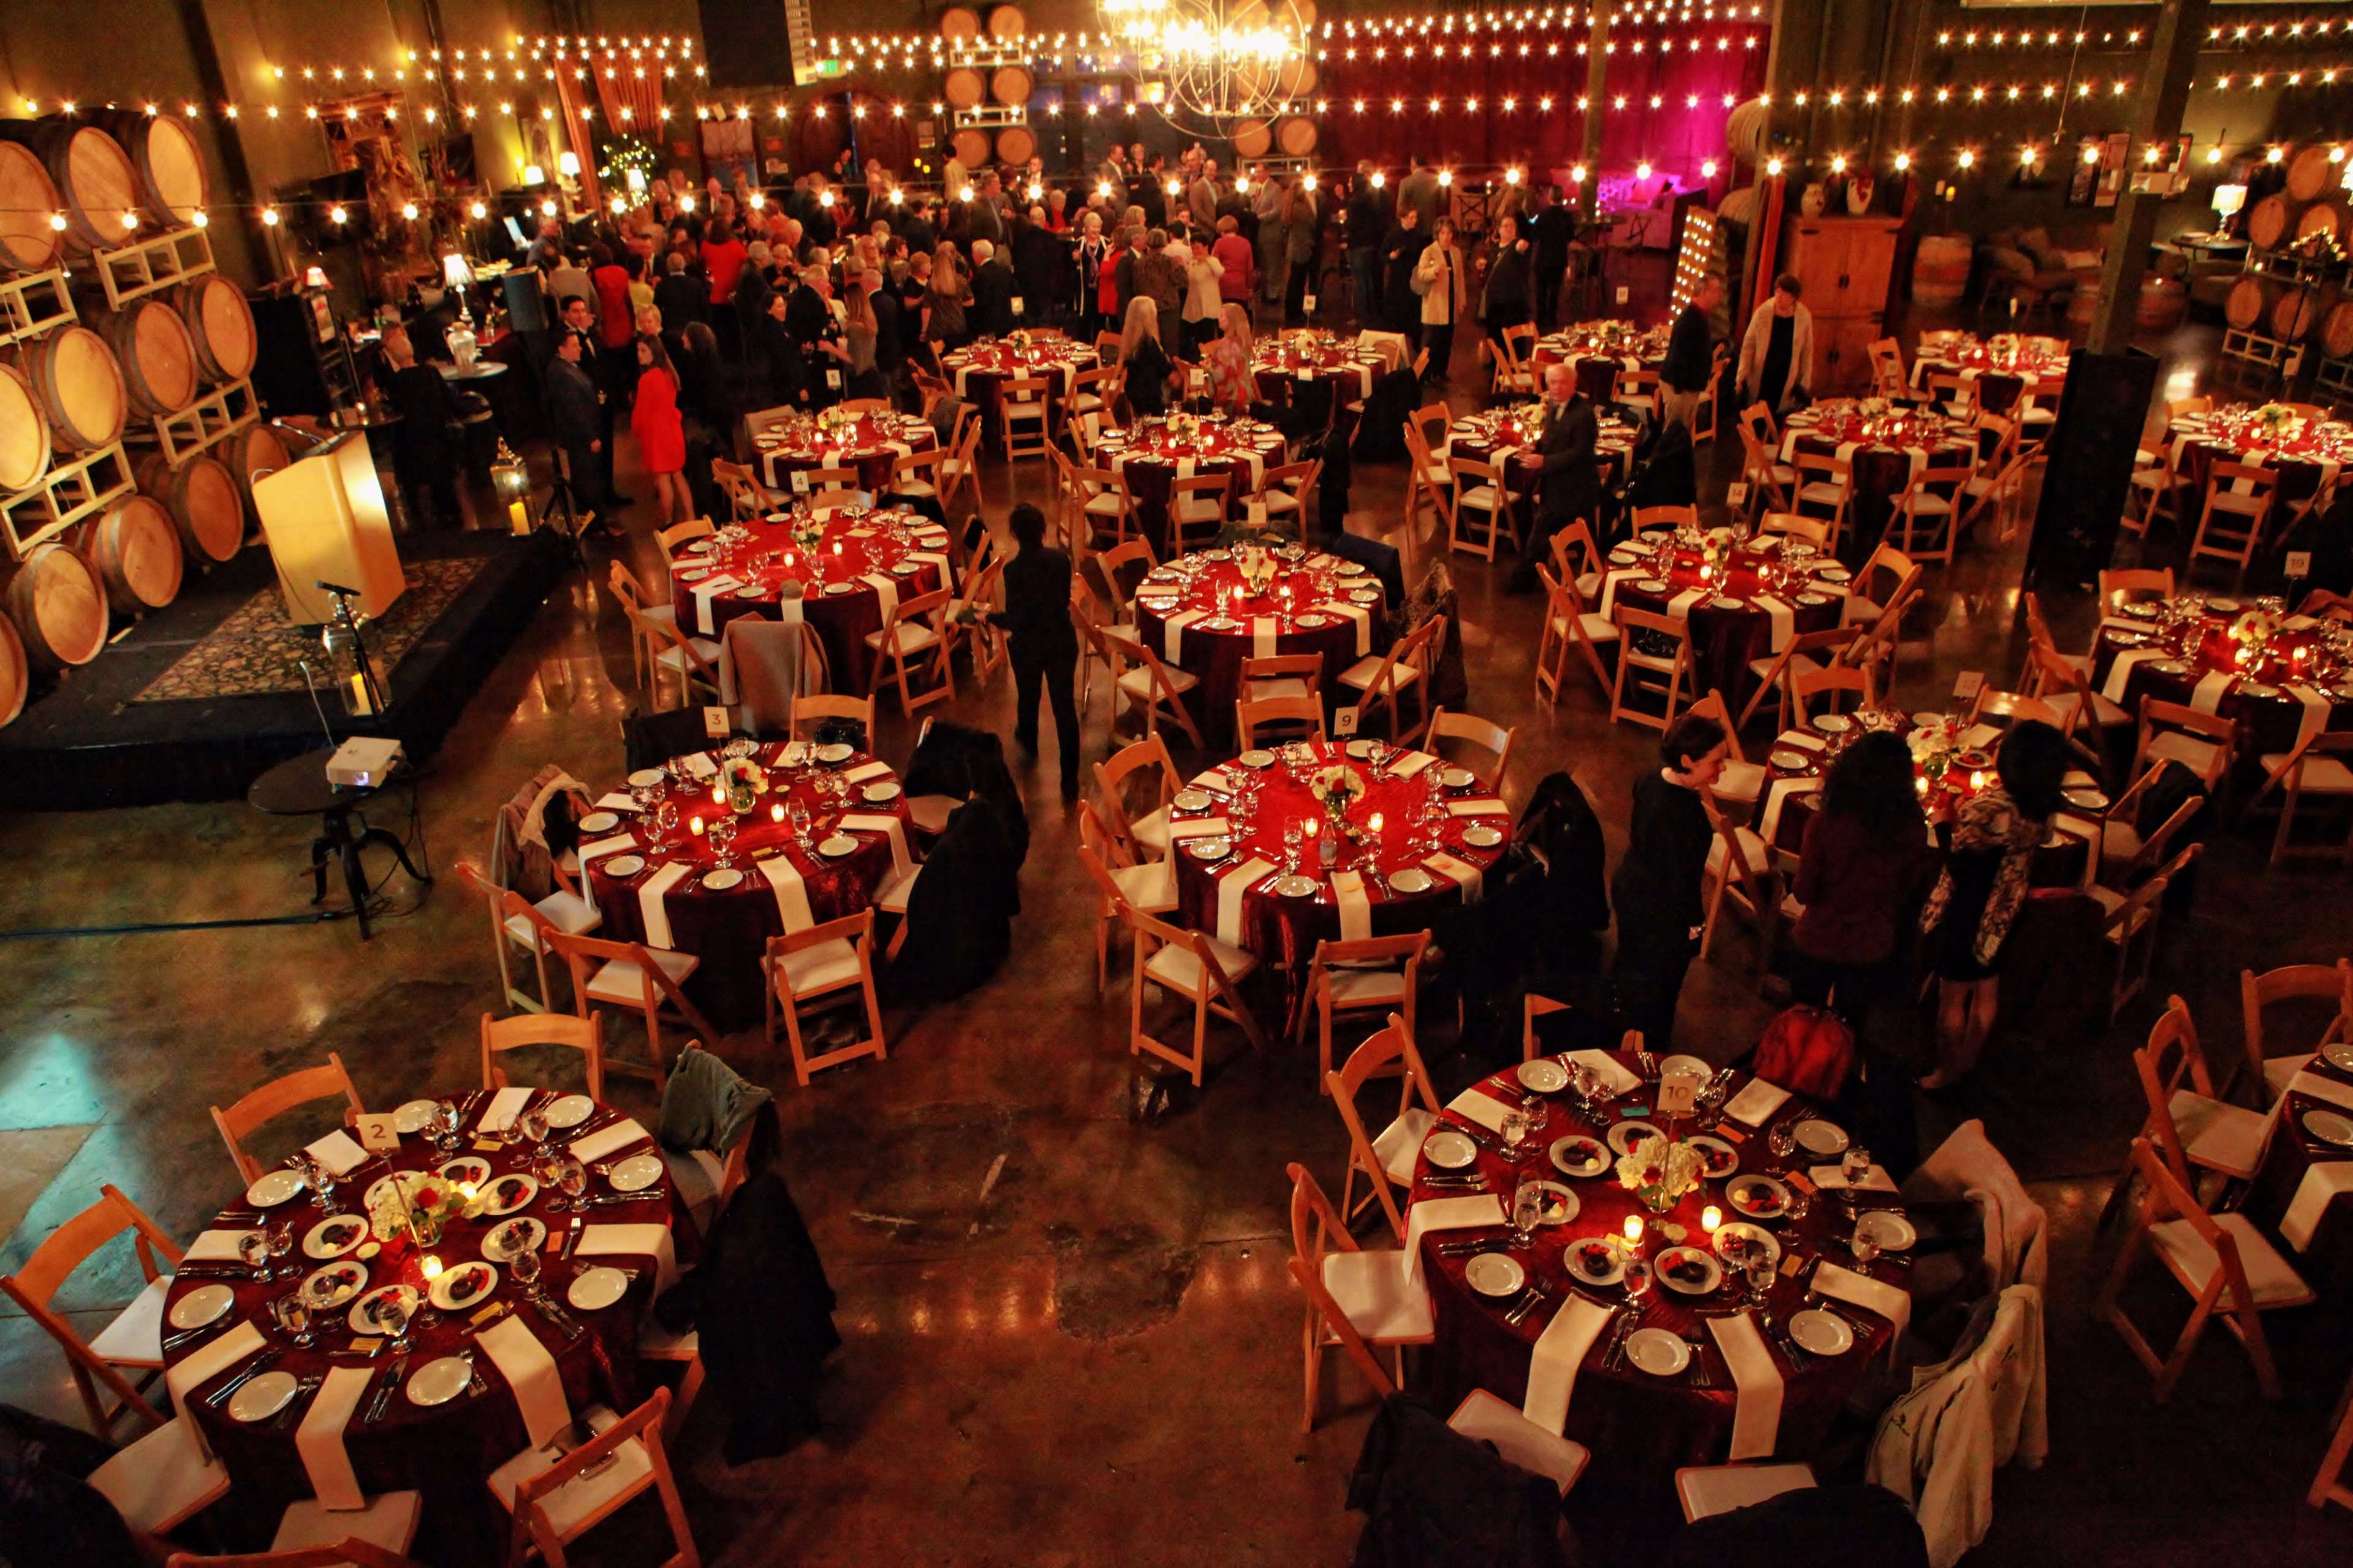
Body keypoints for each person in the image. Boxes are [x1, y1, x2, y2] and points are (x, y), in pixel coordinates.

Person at [1917, 720, 2070, 1090]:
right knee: (1987, 989)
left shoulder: (1986, 811)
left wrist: (1944, 822)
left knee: (1952, 998)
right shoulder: (2043, 805)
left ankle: (1946, 1072)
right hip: (2005, 912)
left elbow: (1959, 868)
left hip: (1967, 913)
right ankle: (1969, 1059)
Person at [1790, 732, 1934, 1031]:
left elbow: (1804, 892)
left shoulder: (1825, 825)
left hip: (1820, 938)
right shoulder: (1913, 830)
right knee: (1849, 1026)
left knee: (1801, 1022)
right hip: (1873, 945)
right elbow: (1908, 889)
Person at [1608, 711, 1729, 1050]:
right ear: (1688, 761)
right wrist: (1695, 925)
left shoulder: (1651, 778)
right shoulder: (1686, 816)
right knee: (1661, 989)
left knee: (1629, 968)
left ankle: (1619, 1031)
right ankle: (1651, 1052)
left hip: (1630, 886)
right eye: (1717, 762)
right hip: (1660, 912)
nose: (1723, 768)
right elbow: (1683, 879)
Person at [971, 503, 1082, 800]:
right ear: (1043, 531)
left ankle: (1029, 742)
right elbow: (1057, 604)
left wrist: (987, 617)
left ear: (1015, 535)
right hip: (1061, 641)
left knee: (1028, 696)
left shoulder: (1014, 571)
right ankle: (1070, 779)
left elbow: (1018, 621)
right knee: (1064, 709)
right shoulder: (1061, 561)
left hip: (1030, 646)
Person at [1514, 360, 1599, 588]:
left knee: (1549, 533)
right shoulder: (1554, 405)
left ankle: (1524, 581)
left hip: (1576, 487)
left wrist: (1544, 461)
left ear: (1573, 384)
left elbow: (1581, 454)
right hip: (1556, 483)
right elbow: (1552, 438)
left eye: (1562, 383)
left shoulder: (1584, 414)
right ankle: (1593, 577)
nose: (1557, 387)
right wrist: (1536, 447)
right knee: (1579, 539)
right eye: (1552, 383)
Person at [376, 326, 463, 528]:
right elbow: (450, 402)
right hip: (438, 439)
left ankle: (417, 517)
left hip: (410, 447)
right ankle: (450, 512)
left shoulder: (395, 383)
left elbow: (392, 413)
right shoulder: (431, 373)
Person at [546, 328, 614, 528]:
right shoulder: (563, 373)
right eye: (575, 345)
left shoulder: (567, 367)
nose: (580, 348)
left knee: (587, 476)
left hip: (581, 434)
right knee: (587, 478)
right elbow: (575, 410)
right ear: (561, 349)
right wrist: (591, 437)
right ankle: (595, 523)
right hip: (580, 437)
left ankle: (594, 520)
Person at [631, 332, 691, 527]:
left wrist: (636, 428)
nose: (639, 355)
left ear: (653, 352)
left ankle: (668, 521)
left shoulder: (648, 379)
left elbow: (641, 412)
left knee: (663, 478)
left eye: (643, 350)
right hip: (673, 431)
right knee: (678, 475)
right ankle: (691, 518)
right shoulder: (669, 374)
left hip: (657, 435)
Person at [1737, 271, 1814, 415]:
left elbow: (1807, 351)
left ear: (1794, 298)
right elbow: (1749, 345)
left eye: (1784, 294)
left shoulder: (1804, 316)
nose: (1779, 296)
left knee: (1780, 413)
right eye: (1777, 292)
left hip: (1787, 374)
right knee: (1757, 411)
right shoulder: (1763, 312)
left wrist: (1805, 382)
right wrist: (1742, 375)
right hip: (1764, 371)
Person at [1661, 272, 1724, 433]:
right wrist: (1680, 390)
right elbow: (1678, 356)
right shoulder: (1690, 321)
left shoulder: (1698, 318)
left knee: (1680, 434)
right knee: (1674, 435)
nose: (1720, 295)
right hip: (1681, 389)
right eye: (1716, 290)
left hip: (1688, 388)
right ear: (1704, 292)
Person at [1411, 217, 1468, 388]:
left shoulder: (1456, 252)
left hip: (1450, 303)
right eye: (1443, 233)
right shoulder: (1429, 251)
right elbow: (1421, 274)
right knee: (1431, 342)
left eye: (1449, 233)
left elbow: (1460, 279)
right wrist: (1433, 271)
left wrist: (1462, 300)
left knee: (1446, 341)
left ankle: (1441, 371)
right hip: (1436, 304)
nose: (1446, 237)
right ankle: (1426, 374)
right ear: (1437, 234)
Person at [1477, 213, 1532, 358]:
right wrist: (1483, 266)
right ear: (1499, 230)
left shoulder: (1517, 246)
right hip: (1495, 304)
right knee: (1496, 339)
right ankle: (1497, 369)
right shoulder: (1494, 249)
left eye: (1511, 226)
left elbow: (1523, 248)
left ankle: (1514, 371)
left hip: (1514, 304)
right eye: (1505, 226)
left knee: (1515, 342)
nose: (1508, 229)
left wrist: (1522, 246)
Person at [1117, 295, 1177, 419]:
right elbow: (1167, 372)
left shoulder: (1130, 343)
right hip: (1150, 400)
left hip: (1133, 394)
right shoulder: (1150, 344)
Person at [1345, 165, 1387, 328]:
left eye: (1350, 182)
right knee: (1368, 281)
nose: (1349, 184)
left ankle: (1362, 317)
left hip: (1357, 245)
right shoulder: (1371, 197)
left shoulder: (1355, 201)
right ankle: (1371, 315)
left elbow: (1352, 225)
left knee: (1359, 283)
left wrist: (1344, 219)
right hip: (1369, 245)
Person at [702, 217, 749, 358]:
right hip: (731, 293)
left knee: (717, 328)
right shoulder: (736, 246)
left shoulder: (705, 246)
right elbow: (748, 263)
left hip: (713, 293)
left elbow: (702, 264)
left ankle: (719, 355)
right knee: (732, 328)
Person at [1379, 205, 1423, 341]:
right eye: (1411, 218)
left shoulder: (1417, 235)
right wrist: (1390, 257)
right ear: (1403, 219)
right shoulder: (1393, 234)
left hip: (1413, 278)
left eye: (1416, 217)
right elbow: (1381, 256)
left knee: (1413, 312)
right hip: (1398, 279)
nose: (1415, 221)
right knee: (1397, 313)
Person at [1204, 303, 1254, 415]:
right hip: (1246, 395)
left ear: (1231, 320)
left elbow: (1222, 375)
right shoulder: (1244, 341)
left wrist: (1209, 369)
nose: (1218, 318)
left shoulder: (1227, 344)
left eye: (1222, 316)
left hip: (1231, 399)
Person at [1181, 238, 1225, 359]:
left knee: (1208, 339)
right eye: (1193, 248)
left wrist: (1207, 259)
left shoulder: (1213, 261)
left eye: (1198, 247)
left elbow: (1221, 272)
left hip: (1209, 306)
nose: (1195, 251)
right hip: (1194, 306)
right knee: (1194, 339)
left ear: (1206, 248)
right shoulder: (1192, 263)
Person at [968, 238, 1017, 338]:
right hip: (1007, 323)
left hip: (988, 326)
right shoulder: (1004, 270)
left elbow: (980, 302)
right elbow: (1015, 292)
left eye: (973, 253)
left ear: (979, 255)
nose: (972, 256)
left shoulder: (981, 275)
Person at [1074, 211, 1112, 338]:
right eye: (1093, 227)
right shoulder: (1078, 244)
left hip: (1101, 291)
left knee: (1100, 324)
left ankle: (1099, 354)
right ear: (1086, 227)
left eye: (1098, 227)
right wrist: (1074, 260)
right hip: (1084, 292)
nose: (1096, 230)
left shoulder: (1107, 243)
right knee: (1084, 324)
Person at [1211, 214, 1256, 316]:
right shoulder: (1246, 243)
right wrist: (1249, 288)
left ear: (1222, 231)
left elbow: (1213, 265)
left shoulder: (1219, 243)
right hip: (1241, 287)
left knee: (1225, 319)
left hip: (1224, 287)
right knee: (1240, 318)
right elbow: (1250, 268)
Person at [1396, 154, 1443, 233]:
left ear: (1414, 162)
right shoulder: (1437, 180)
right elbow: (1442, 202)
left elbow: (1400, 206)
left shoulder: (1406, 182)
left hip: (1412, 228)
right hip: (1430, 227)